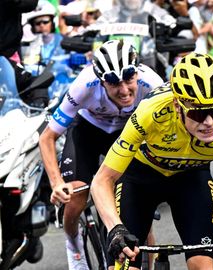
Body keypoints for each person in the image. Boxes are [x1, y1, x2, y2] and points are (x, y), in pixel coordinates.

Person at [90, 53, 213, 270]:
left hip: (191, 178)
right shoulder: (150, 112)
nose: (210, 122)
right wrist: (115, 229)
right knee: (124, 265)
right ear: (177, 106)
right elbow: (102, 181)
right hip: (140, 178)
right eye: (198, 114)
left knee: (203, 266)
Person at [39, 39, 163, 270]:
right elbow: (47, 137)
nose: (124, 90)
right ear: (100, 80)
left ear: (137, 72)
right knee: (76, 195)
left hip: (127, 134)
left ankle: (148, 262)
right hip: (88, 131)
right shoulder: (84, 85)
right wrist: (56, 183)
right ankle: (74, 244)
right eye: (114, 83)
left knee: (135, 200)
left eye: (128, 79)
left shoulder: (152, 83)